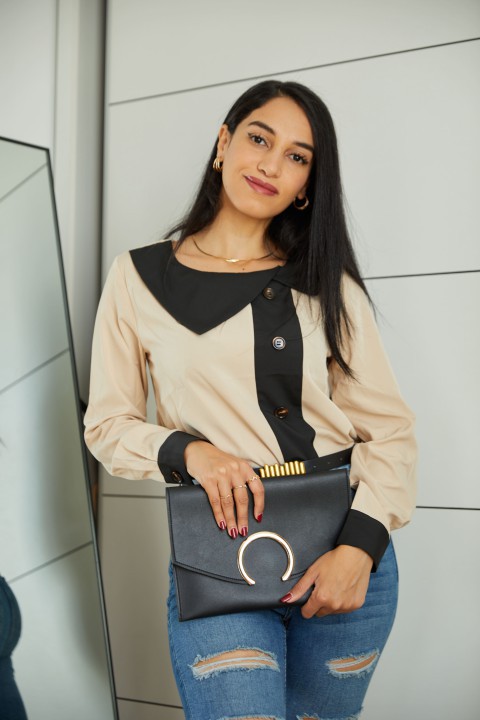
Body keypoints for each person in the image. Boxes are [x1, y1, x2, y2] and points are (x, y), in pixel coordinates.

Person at [84, 80, 417, 719]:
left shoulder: (327, 285)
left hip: (346, 557)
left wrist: (359, 549)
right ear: (223, 143)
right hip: (221, 556)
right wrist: (191, 451)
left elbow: (390, 432)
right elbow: (107, 424)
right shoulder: (136, 277)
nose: (270, 164)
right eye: (259, 139)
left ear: (307, 185)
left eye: (297, 156)